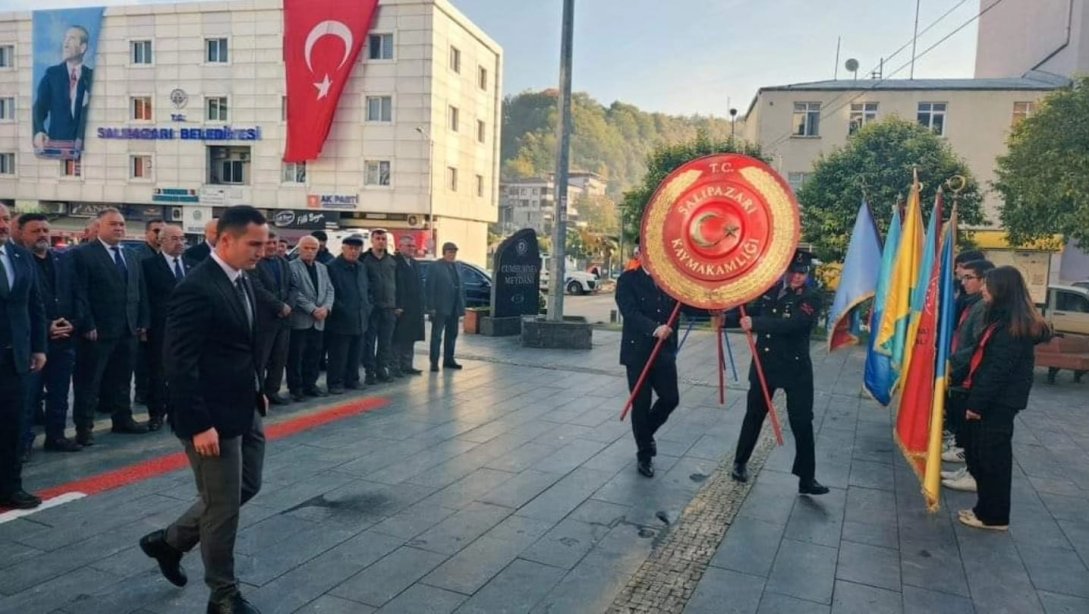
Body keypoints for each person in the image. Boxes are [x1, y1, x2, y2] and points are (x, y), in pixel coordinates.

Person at [139, 205, 269, 614]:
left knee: (247, 485)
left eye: (264, 244)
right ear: (225, 240)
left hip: (243, 405)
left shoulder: (241, 280)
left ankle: (169, 541)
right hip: (209, 419)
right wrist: (199, 425)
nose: (261, 252)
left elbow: (240, 346)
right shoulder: (197, 287)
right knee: (222, 506)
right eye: (254, 244)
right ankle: (223, 596)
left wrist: (258, 389)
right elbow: (177, 362)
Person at [728, 249, 829, 496]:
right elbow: (747, 311)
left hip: (796, 369)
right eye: (794, 271)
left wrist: (757, 324)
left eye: (802, 272)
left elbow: (796, 324)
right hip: (766, 364)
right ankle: (739, 463)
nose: (797, 277)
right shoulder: (770, 291)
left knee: (802, 421)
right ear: (786, 270)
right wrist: (723, 316)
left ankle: (807, 478)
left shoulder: (811, 297)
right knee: (754, 415)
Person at [957, 266, 1050, 531]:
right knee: (980, 455)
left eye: (988, 285)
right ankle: (984, 509)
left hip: (998, 403)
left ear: (1003, 290)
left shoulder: (1012, 328)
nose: (984, 289)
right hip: (992, 400)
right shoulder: (1000, 319)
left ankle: (994, 516)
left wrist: (976, 404)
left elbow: (997, 371)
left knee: (992, 460)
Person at [615, 246, 710, 478]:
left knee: (670, 398)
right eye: (647, 250)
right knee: (641, 403)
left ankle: (646, 435)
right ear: (640, 254)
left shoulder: (671, 280)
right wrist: (654, 328)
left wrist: (714, 305)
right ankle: (644, 455)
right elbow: (629, 311)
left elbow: (689, 306)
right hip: (638, 353)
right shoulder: (628, 280)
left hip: (663, 353)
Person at [70, 208, 149, 444]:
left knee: (123, 379)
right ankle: (84, 428)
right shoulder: (83, 254)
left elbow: (140, 290)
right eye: (113, 224)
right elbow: (79, 292)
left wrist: (142, 321)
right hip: (97, 331)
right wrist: (86, 323)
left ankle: (122, 419)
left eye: (122, 224)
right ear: (100, 227)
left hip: (127, 329)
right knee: (89, 381)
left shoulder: (131, 255)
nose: (119, 228)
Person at [17, 214, 81, 456]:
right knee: (29, 397)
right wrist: (46, 326)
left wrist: (73, 323)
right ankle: (23, 443)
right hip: (34, 342)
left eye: (45, 230)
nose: (42, 234)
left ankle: (56, 436)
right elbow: (21, 305)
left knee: (60, 393)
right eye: (35, 231)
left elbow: (76, 294)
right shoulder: (19, 263)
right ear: (22, 233)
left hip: (64, 340)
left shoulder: (61, 259)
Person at [0, 204, 48, 509]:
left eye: (5, 219)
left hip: (15, 358)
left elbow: (35, 305)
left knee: (13, 425)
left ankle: (10, 486)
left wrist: (39, 347)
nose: (3, 225)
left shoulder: (20, 256)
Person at [941, 259, 995, 491]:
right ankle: (969, 467)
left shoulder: (983, 308)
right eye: (961, 278)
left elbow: (975, 345)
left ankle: (974, 472)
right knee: (967, 425)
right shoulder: (971, 303)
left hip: (970, 373)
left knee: (978, 432)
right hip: (964, 369)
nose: (963, 283)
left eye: (968, 278)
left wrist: (953, 364)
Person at [141, 225, 190, 431]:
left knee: (183, 371)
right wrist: (143, 325)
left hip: (187, 329)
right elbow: (143, 297)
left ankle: (178, 410)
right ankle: (156, 413)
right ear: (161, 241)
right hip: (160, 327)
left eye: (182, 239)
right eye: (174, 239)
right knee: (158, 372)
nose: (179, 242)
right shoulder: (148, 265)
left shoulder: (192, 266)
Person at [32, 25, 94, 151]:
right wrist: (39, 131)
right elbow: (38, 109)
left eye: (71, 38)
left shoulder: (92, 77)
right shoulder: (52, 75)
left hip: (86, 150)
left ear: (83, 48)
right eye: (65, 38)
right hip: (56, 148)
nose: (65, 42)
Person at [287, 236, 334, 401]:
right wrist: (312, 309)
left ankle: (310, 385)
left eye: (313, 248)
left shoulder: (322, 268)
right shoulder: (291, 267)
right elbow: (295, 293)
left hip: (319, 320)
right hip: (301, 319)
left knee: (314, 355)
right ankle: (296, 388)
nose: (310, 251)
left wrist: (326, 308)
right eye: (306, 248)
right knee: (296, 356)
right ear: (299, 249)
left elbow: (330, 289)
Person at [251, 231, 293, 406]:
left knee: (279, 358)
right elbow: (257, 289)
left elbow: (293, 286)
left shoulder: (283, 262)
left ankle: (273, 391)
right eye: (268, 243)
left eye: (274, 243)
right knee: (261, 360)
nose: (272, 246)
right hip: (264, 319)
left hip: (283, 320)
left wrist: (288, 305)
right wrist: (279, 306)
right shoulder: (255, 264)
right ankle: (258, 394)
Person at [325, 234, 371, 393]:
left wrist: (367, 307)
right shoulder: (332, 267)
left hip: (360, 318)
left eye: (357, 249)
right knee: (338, 354)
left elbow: (366, 290)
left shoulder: (361, 267)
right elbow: (330, 294)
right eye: (350, 248)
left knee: (355, 353)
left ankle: (352, 379)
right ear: (343, 248)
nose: (354, 252)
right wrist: (342, 309)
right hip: (340, 320)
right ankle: (335, 382)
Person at [132, 218, 165, 407]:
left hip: (160, 317)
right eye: (155, 231)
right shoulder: (139, 255)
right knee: (143, 359)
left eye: (162, 231)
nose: (159, 235)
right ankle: (142, 391)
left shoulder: (167, 255)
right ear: (147, 234)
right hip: (144, 314)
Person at [362, 229, 397, 384]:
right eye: (378, 238)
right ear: (372, 240)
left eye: (383, 238)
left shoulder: (392, 261)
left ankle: (382, 369)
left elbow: (397, 284)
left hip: (389, 308)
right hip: (372, 308)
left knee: (385, 341)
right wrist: (368, 304)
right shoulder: (364, 260)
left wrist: (397, 304)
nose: (381, 241)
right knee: (369, 342)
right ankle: (370, 372)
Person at [426, 242, 466, 372]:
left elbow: (461, 286)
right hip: (440, 307)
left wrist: (462, 305)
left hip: (454, 307)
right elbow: (430, 287)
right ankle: (434, 362)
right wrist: (431, 307)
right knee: (437, 336)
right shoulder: (435, 266)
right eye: (449, 252)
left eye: (454, 252)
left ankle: (449, 360)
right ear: (444, 252)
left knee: (452, 335)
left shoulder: (457, 266)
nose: (452, 254)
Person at [392, 234, 426, 376]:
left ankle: (407, 365)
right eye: (408, 246)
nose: (412, 248)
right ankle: (395, 366)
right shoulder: (394, 262)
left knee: (410, 338)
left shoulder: (415, 263)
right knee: (398, 339)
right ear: (400, 247)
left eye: (413, 246)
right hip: (400, 307)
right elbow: (392, 286)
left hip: (414, 308)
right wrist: (396, 305)